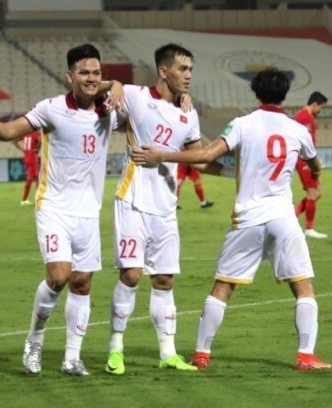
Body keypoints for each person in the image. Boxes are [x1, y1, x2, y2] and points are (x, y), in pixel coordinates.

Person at [131, 68, 331, 372]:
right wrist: (315, 172)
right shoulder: (297, 130)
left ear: (256, 93)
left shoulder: (242, 124)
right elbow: (315, 163)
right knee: (303, 286)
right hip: (283, 218)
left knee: (223, 286)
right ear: (285, 95)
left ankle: (201, 353)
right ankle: (305, 355)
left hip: (247, 218)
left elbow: (206, 155)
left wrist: (162, 155)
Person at [0, 44, 125, 376]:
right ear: (70, 76)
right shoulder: (51, 109)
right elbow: (8, 132)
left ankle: (72, 357)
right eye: (83, 73)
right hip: (53, 207)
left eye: (96, 73)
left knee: (82, 283)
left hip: (88, 213)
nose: (90, 78)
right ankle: (34, 341)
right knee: (59, 276)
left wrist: (118, 86)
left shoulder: (110, 110)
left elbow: (150, 107)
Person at [105, 43, 203, 375]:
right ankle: (115, 348)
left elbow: (198, 156)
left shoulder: (189, 112)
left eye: (190, 70)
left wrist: (166, 156)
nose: (188, 75)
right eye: (182, 69)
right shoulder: (134, 95)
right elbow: (93, 90)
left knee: (163, 279)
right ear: (164, 71)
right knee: (131, 275)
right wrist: (113, 84)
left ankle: (168, 353)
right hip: (132, 200)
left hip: (166, 207)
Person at [294, 91, 328, 239]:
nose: (321, 110)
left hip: (306, 159)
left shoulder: (303, 117)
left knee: (317, 192)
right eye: (321, 107)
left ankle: (292, 216)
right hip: (303, 160)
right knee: (312, 193)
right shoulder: (304, 118)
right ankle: (309, 228)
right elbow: (304, 144)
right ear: (315, 104)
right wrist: (312, 163)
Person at [13, 129, 41, 205]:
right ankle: (25, 200)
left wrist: (23, 149)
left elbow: (14, 141)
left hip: (26, 156)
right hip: (32, 157)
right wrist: (37, 149)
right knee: (32, 178)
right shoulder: (36, 133)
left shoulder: (25, 132)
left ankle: (38, 199)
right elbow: (40, 140)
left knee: (37, 177)